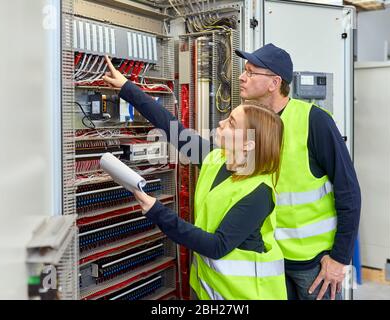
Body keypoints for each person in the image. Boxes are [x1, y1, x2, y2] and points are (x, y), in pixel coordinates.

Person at [102, 56, 287, 300]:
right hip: (212, 291)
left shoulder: (259, 193)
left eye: (231, 123)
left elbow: (216, 246)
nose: (221, 123)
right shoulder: (216, 159)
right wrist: (127, 87)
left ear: (248, 143)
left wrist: (157, 211)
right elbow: (173, 129)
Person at [235, 44, 361, 300]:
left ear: (274, 83)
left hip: (314, 266)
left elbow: (349, 191)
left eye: (251, 72)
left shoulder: (314, 121)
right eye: (244, 71)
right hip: (269, 259)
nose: (241, 77)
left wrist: (339, 258)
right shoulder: (249, 122)